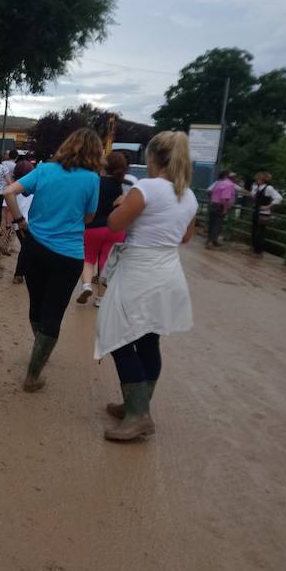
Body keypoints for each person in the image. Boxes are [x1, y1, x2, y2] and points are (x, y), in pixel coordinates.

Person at [95, 131, 198, 442]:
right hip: (168, 271)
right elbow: (186, 238)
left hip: (139, 273)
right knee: (148, 340)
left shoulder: (145, 188)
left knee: (118, 337)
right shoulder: (189, 195)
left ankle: (139, 415)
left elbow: (114, 223)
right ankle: (135, 404)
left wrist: (123, 202)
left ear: (152, 158)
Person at [2, 128, 102, 391]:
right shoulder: (92, 179)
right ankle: (34, 373)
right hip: (68, 255)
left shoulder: (45, 170)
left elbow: (9, 191)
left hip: (35, 247)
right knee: (54, 312)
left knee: (37, 304)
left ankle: (40, 346)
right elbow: (89, 217)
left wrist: (20, 221)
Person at [77, 152, 128, 306]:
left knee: (88, 259)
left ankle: (86, 285)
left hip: (93, 227)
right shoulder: (124, 185)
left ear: (104, 165)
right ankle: (101, 298)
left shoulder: (95, 181)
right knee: (107, 263)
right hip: (116, 229)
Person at [10, 158, 34, 284]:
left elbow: (6, 208)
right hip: (29, 223)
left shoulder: (13, 188)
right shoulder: (34, 186)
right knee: (27, 248)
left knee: (26, 247)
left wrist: (7, 223)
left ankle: (21, 273)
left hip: (19, 223)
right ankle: (19, 274)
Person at [250, 172, 282, 257]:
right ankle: (255, 248)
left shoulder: (269, 188)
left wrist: (268, 206)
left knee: (260, 232)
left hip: (263, 213)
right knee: (254, 230)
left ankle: (259, 251)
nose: (256, 180)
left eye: (257, 179)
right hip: (256, 211)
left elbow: (279, 197)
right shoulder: (258, 187)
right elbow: (253, 196)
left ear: (262, 179)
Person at [206, 170, 237, 248]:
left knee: (212, 223)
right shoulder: (229, 185)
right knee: (217, 224)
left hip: (213, 204)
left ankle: (211, 240)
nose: (235, 178)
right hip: (220, 206)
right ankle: (211, 241)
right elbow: (224, 198)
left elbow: (210, 192)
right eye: (234, 177)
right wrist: (225, 209)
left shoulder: (218, 182)